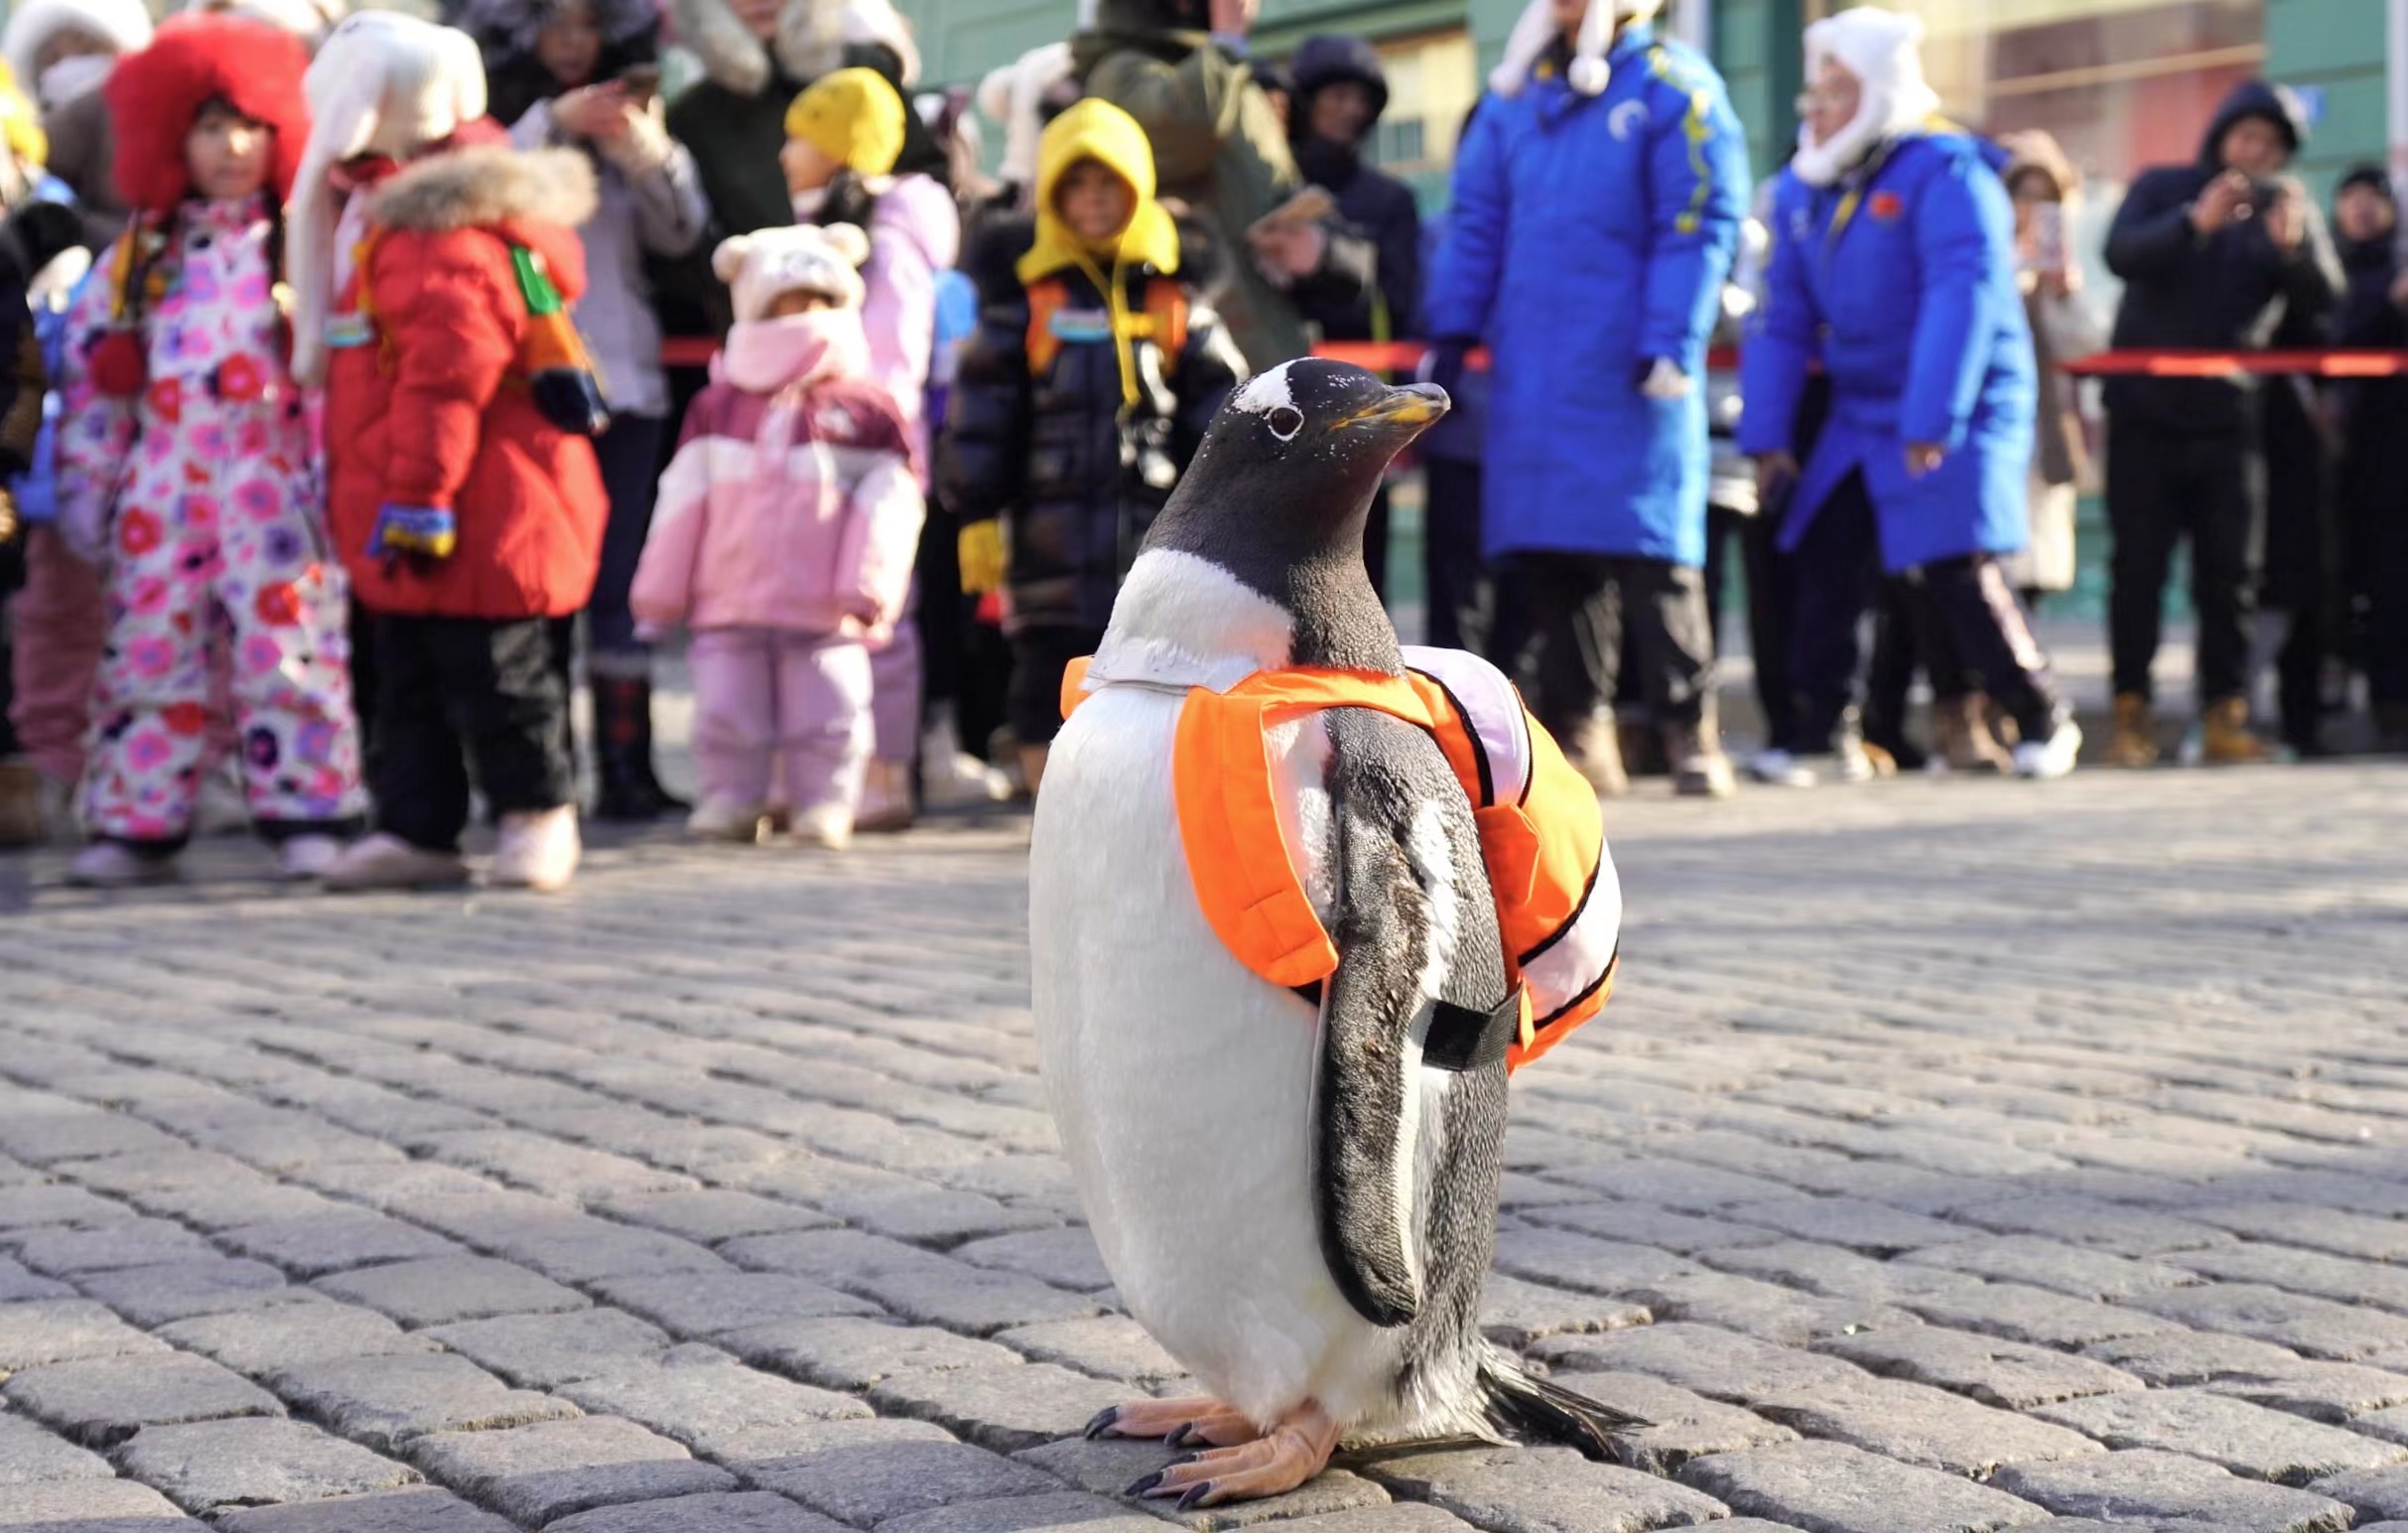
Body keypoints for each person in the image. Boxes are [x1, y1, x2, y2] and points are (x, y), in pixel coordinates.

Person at [290, 12, 607, 893]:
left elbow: (443, 380)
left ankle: (537, 812)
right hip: (428, 495)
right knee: (411, 674)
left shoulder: (437, 230)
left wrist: (418, 494)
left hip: (476, 502)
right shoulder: (395, 211)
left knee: (500, 673)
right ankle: (418, 825)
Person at [51, 14, 366, 886]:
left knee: (290, 649)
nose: (232, 148)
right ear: (171, 136)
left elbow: (339, 376)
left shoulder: (309, 249)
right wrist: (90, 484)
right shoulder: (139, 260)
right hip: (163, 487)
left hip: (277, 488)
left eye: (251, 128)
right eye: (210, 127)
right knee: (148, 646)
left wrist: (337, 479)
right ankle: (138, 817)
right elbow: (93, 378)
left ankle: (309, 806)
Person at [1740, 8, 2081, 786]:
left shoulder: (1948, 173)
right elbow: (1781, 319)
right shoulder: (1807, 186)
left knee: (1957, 564)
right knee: (1828, 552)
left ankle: (2041, 716)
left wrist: (1934, 419)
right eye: (1815, 92)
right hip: (1862, 407)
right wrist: (1770, 435)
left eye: (1837, 89)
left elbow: (1962, 298)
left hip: (1957, 398)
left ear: (1879, 88)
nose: (1819, 106)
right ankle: (1820, 734)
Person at [1422, 0, 1749, 798]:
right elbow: (1477, 221)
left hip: (1628, 362)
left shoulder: (1676, 85)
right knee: (1552, 555)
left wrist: (1672, 337)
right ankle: (1582, 731)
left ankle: (1688, 729)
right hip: (1534, 368)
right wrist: (1453, 329)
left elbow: (1700, 217)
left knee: (1654, 554)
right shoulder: (1516, 99)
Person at [940, 98, 1244, 795]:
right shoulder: (1024, 297)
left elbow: (1224, 417)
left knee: (1157, 668)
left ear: (1136, 187)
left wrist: (1232, 511)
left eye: (1109, 183)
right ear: (1052, 194)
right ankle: (1051, 800)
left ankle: (1146, 796)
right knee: (1048, 667)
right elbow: (984, 411)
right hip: (1048, 530)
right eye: (1076, 185)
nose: (1094, 200)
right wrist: (979, 508)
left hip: (1158, 530)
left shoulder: (1175, 298)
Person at [631, 224, 922, 848]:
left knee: (830, 713)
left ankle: (823, 801)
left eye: (820, 303)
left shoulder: (867, 410)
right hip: (727, 602)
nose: (804, 319)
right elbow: (681, 504)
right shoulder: (717, 407)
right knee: (724, 711)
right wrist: (659, 593)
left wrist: (867, 583)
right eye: (787, 304)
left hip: (823, 606)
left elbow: (893, 505)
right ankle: (732, 798)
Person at [502, 0, 706, 822]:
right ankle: (539, 769)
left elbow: (681, 231)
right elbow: (501, 197)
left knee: (622, 584)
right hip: (541, 385)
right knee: (542, 582)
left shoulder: (631, 125)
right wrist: (551, 122)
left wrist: (641, 144)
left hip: (628, 384)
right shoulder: (512, 124)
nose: (573, 43)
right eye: (557, 27)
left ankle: (627, 766)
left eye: (586, 27)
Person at [2099, 79, 2340, 767]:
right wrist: (2194, 223)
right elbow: (2122, 254)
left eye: (2270, 144)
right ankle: (2131, 713)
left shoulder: (2286, 210)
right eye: (2246, 136)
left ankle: (2224, 714)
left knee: (2230, 575)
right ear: (2222, 135)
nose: (2254, 151)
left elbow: (2327, 309)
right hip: (2144, 414)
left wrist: (2293, 252)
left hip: (2232, 419)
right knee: (2137, 570)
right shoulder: (2165, 186)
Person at [782, 64, 956, 831]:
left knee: (879, 611)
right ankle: (818, 771)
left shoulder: (888, 237)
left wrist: (847, 411)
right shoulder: (816, 228)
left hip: (872, 448)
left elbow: (895, 354)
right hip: (813, 446)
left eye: (801, 137)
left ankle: (885, 773)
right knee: (805, 613)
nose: (786, 153)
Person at [1072, 0, 1371, 372]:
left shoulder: (1230, 74)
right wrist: (1227, 41)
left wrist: (1322, 252)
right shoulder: (1119, 71)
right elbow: (1182, 131)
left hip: (1266, 338)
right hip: (1198, 351)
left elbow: (1281, 190)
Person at [1287, 33, 1420, 596]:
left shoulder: (1390, 200)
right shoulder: (1274, 186)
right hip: (1283, 403)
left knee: (1361, 567)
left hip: (1359, 409)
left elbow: (1404, 301)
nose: (1348, 109)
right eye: (1334, 94)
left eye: (1359, 99)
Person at [2331, 167, 2408, 752]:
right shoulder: (2328, 271)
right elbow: (2334, 337)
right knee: (2351, 580)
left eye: (2372, 198)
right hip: (2341, 459)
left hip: (2394, 456)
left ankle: (2393, 701)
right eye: (2349, 198)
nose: (2360, 209)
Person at [3, 0, 152, 246]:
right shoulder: (22, 148)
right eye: (53, 58)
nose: (68, 66)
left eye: (87, 51)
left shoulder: (147, 137)